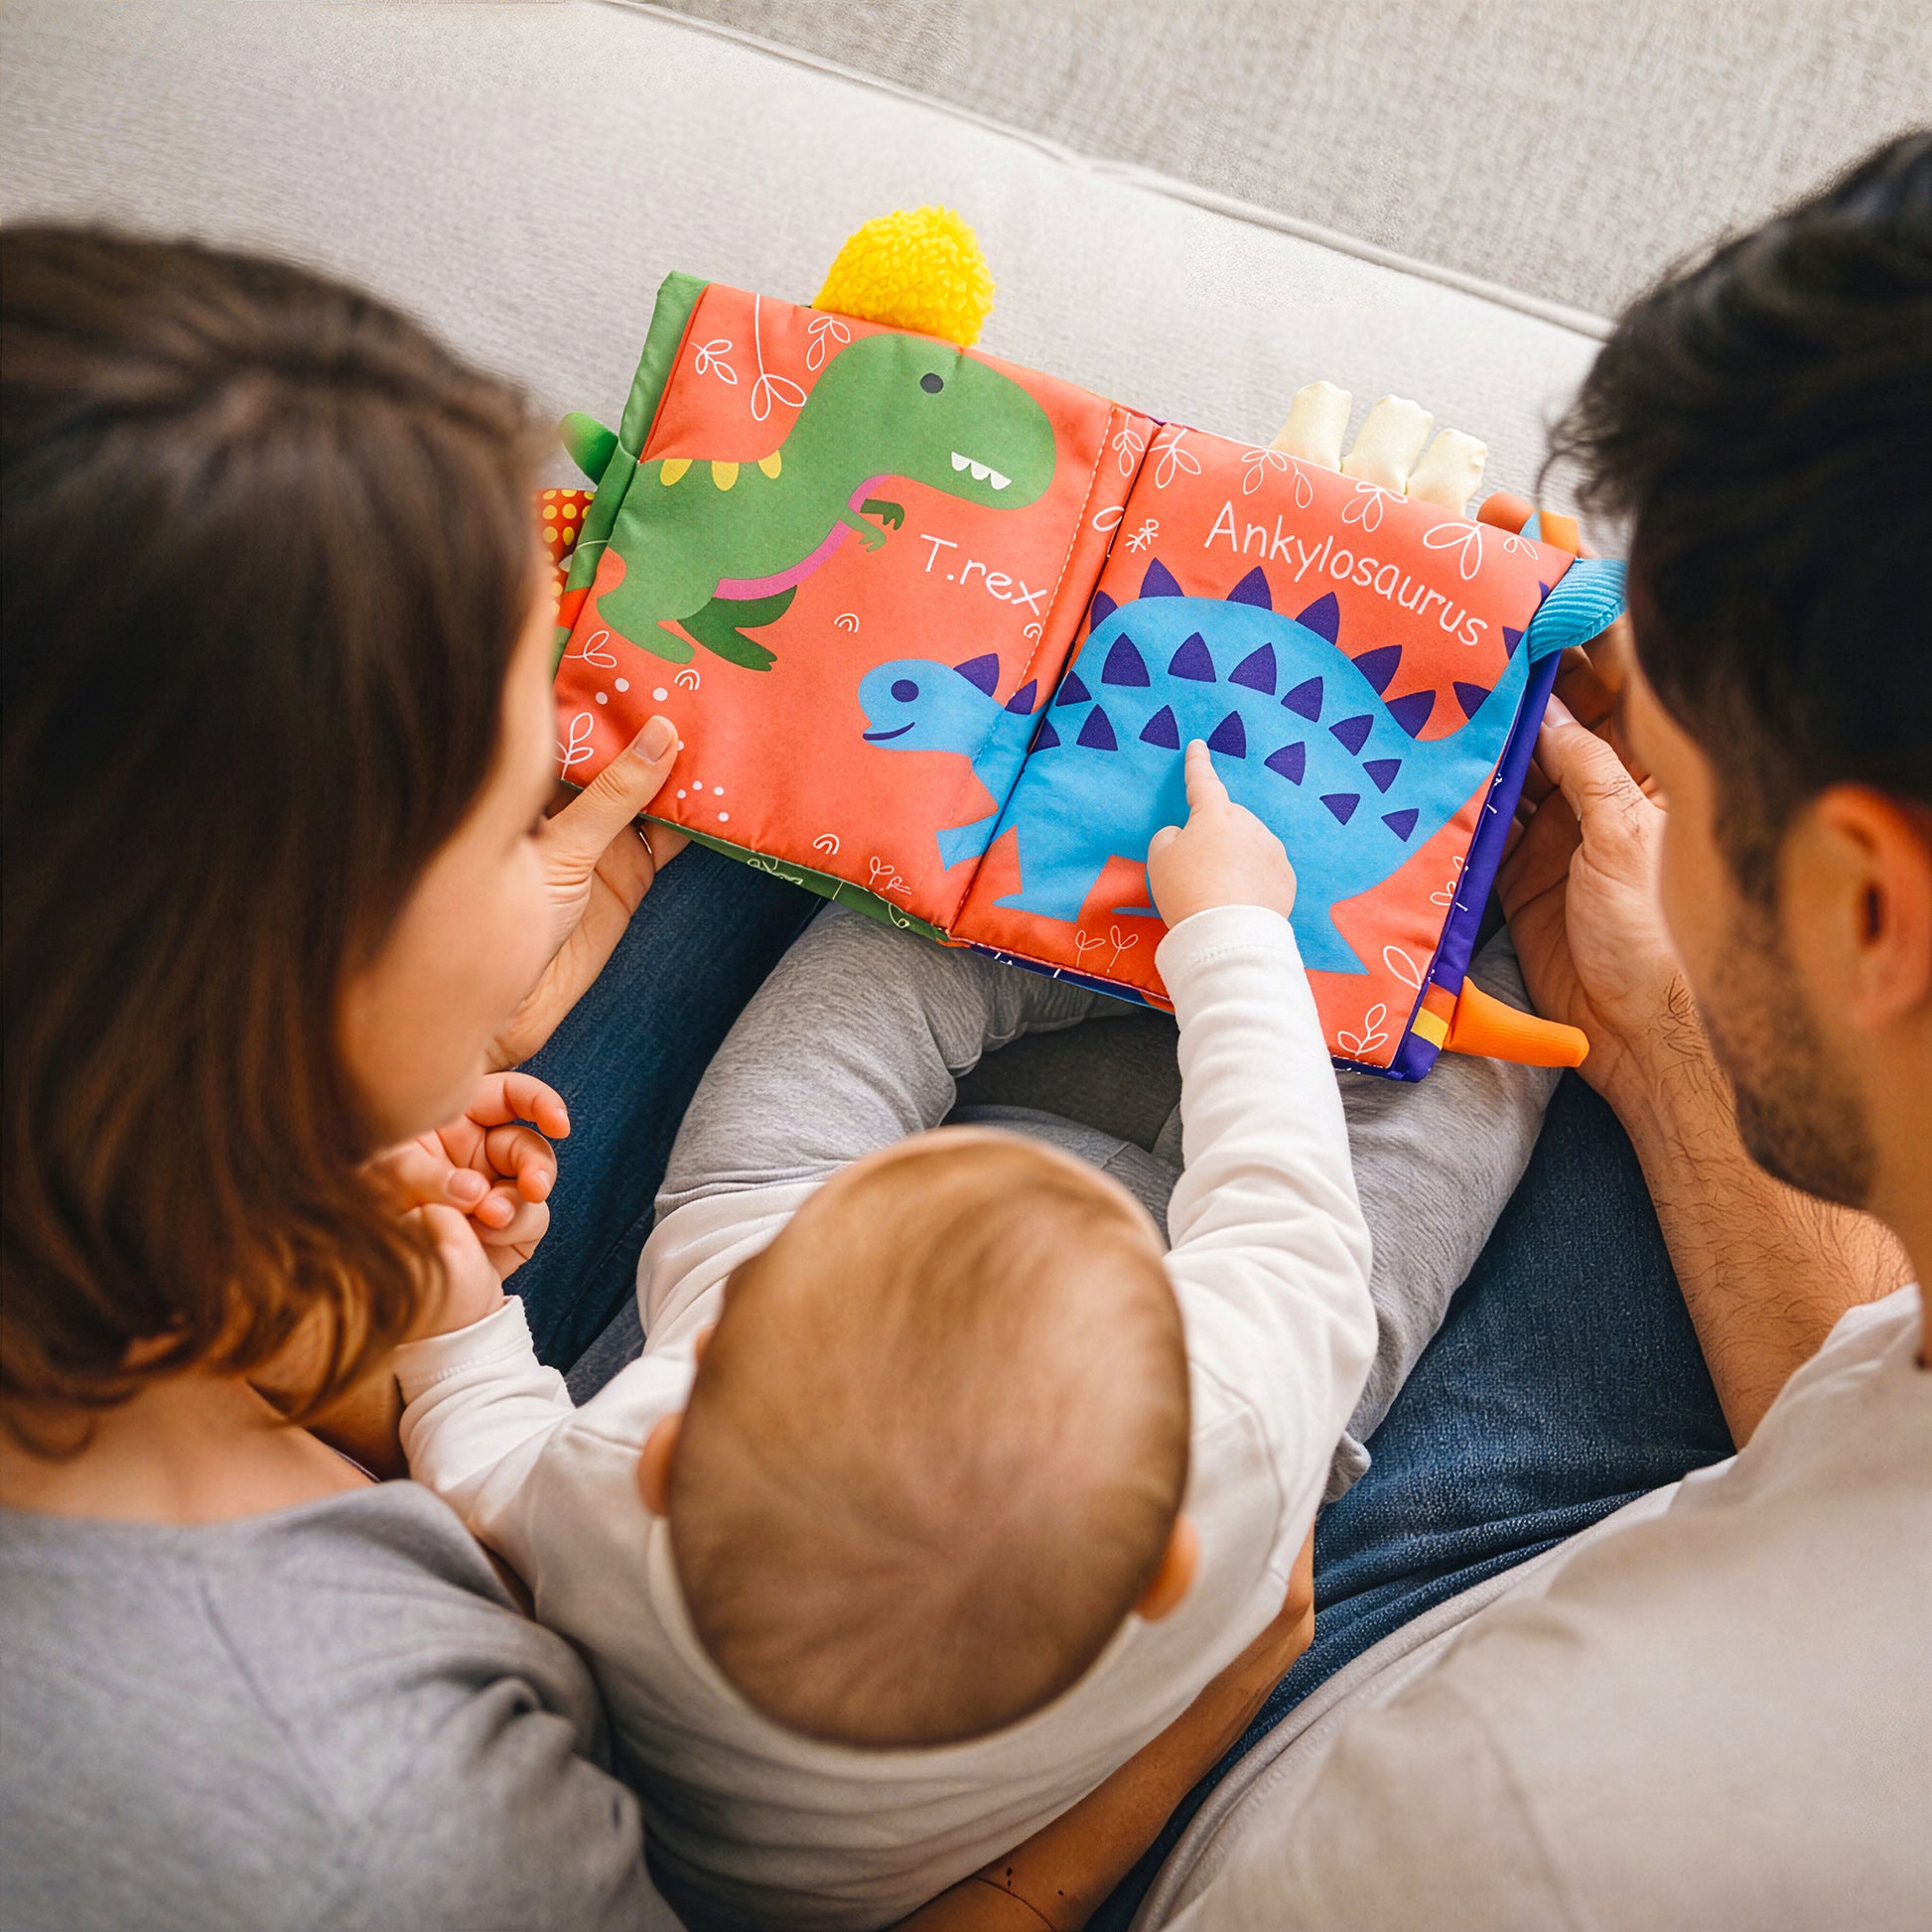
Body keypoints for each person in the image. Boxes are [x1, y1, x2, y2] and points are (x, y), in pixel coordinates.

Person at [0, 226, 1443, 1932]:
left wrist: (344, 1257)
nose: (567, 825)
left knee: (833, 755)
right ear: (280, 978)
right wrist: (1183, 1732)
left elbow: (477, 1449)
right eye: (519, 804)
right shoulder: (380, 1830)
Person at [1118, 129, 1929, 1930]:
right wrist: (1660, 1033)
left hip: (1262, 1718)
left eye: (1680, 763)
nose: (1630, 781)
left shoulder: (1490, 1834)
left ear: (1871, 908)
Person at [390, 734, 1557, 1930]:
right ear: (1170, 1568)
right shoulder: (1235, 1444)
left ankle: (1030, 882)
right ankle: (1486, 918)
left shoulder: (601, 1504)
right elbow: (1287, 1207)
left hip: (852, 1268)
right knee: (1425, 1146)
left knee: (823, 1073)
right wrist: (1233, 934)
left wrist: (451, 1319)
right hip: (1208, 1364)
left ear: (662, 1451)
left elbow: (481, 1447)